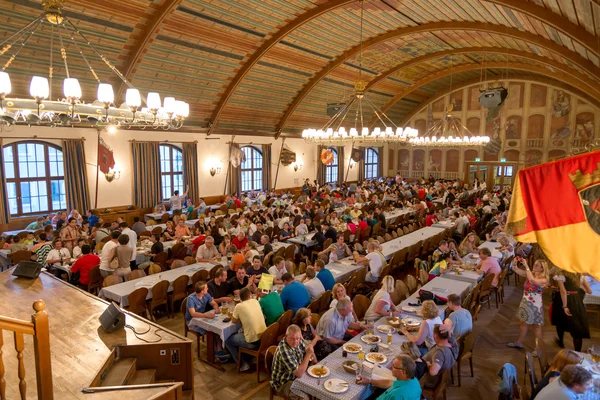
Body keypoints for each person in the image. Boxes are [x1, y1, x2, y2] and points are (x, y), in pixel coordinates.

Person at [507, 259, 548, 350]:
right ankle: (519, 342)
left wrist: (526, 266)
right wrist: (514, 263)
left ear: (542, 269)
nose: (534, 266)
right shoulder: (531, 274)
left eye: (537, 265)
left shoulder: (543, 279)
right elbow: (515, 269)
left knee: (536, 326)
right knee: (523, 323)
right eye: (535, 264)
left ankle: (539, 349)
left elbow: (532, 281)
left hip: (535, 305)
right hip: (525, 302)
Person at [185, 281, 229, 362]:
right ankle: (217, 352)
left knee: (215, 329)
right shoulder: (191, 299)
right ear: (202, 291)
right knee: (211, 331)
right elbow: (193, 314)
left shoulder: (206, 294)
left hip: (203, 317)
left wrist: (216, 308)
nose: (208, 289)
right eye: (206, 288)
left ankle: (219, 350)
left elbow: (214, 303)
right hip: (192, 321)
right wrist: (206, 315)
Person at [550, 268, 592, 352]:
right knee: (577, 326)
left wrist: (565, 306)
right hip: (576, 301)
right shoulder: (580, 275)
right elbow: (589, 291)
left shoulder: (560, 274)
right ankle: (578, 352)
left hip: (562, 300)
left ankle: (561, 342)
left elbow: (563, 291)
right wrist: (578, 288)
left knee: (560, 321)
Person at [226, 288, 267, 372]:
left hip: (253, 341)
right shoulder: (255, 301)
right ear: (250, 296)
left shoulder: (239, 306)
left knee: (227, 340)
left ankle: (243, 364)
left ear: (240, 298)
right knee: (240, 332)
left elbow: (233, 320)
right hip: (263, 337)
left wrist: (242, 318)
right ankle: (249, 358)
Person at [270, 324, 315, 400]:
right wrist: (308, 354)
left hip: (295, 376)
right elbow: (299, 373)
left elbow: (309, 349)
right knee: (305, 398)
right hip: (283, 382)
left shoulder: (298, 340)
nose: (295, 342)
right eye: (292, 339)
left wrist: (312, 355)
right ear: (286, 336)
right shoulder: (283, 350)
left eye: (297, 338)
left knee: (315, 389)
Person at [357, 354, 422, 400]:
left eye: (394, 366)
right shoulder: (413, 380)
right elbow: (389, 383)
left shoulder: (398, 393)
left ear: (403, 372)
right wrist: (369, 381)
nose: (390, 367)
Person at [422, 324, 459, 389]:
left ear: (435, 336)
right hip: (437, 375)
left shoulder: (439, 353)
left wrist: (427, 364)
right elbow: (451, 335)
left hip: (428, 380)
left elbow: (433, 372)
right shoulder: (453, 344)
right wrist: (448, 329)